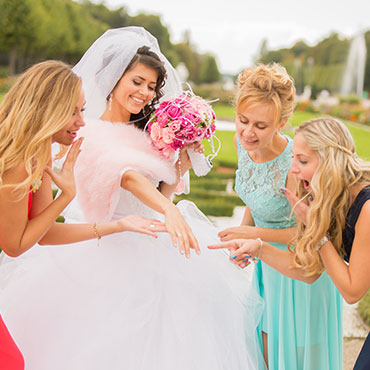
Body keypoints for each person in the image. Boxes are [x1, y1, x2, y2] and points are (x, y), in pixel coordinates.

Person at [0, 27, 265, 370]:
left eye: (151, 86)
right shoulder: (50, 151)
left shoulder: (49, 153)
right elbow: (124, 175)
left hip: (143, 240)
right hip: (106, 260)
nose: (81, 120)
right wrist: (164, 210)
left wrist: (175, 172)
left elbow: (45, 233)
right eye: (137, 81)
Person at [0, 60, 165, 370]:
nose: (81, 121)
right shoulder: (18, 161)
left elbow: (45, 234)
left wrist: (117, 225)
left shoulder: (39, 152)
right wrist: (67, 196)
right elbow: (15, 245)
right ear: (50, 109)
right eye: (74, 112)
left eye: (83, 110)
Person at [212, 117, 370, 369]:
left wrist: (318, 233)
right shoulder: (330, 198)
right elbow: (308, 271)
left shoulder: (366, 208)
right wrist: (260, 248)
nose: (293, 168)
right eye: (294, 157)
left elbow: (352, 291)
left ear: (330, 162)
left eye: (303, 160)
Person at [214, 65, 342, 369]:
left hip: (299, 270)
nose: (247, 132)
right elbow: (256, 201)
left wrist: (251, 237)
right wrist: (241, 239)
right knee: (265, 354)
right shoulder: (242, 145)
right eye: (243, 120)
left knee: (295, 359)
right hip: (267, 266)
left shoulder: (294, 165)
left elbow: (309, 232)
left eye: (260, 125)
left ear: (282, 123)